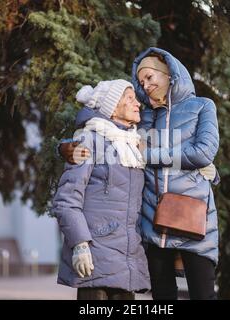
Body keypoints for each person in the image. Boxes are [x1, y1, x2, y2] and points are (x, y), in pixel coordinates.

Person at [58, 48, 220, 300]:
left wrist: (151, 155)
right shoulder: (142, 117)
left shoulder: (202, 107)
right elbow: (106, 124)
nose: (145, 85)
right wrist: (67, 145)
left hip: (194, 219)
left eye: (150, 77)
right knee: (163, 299)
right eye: (141, 81)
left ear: (169, 74)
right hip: (152, 225)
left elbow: (202, 153)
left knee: (203, 295)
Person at [51, 79, 150, 300]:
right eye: (130, 98)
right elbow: (66, 199)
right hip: (95, 256)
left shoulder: (134, 145)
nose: (138, 104)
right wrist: (79, 244)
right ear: (113, 107)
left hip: (127, 259)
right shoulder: (88, 140)